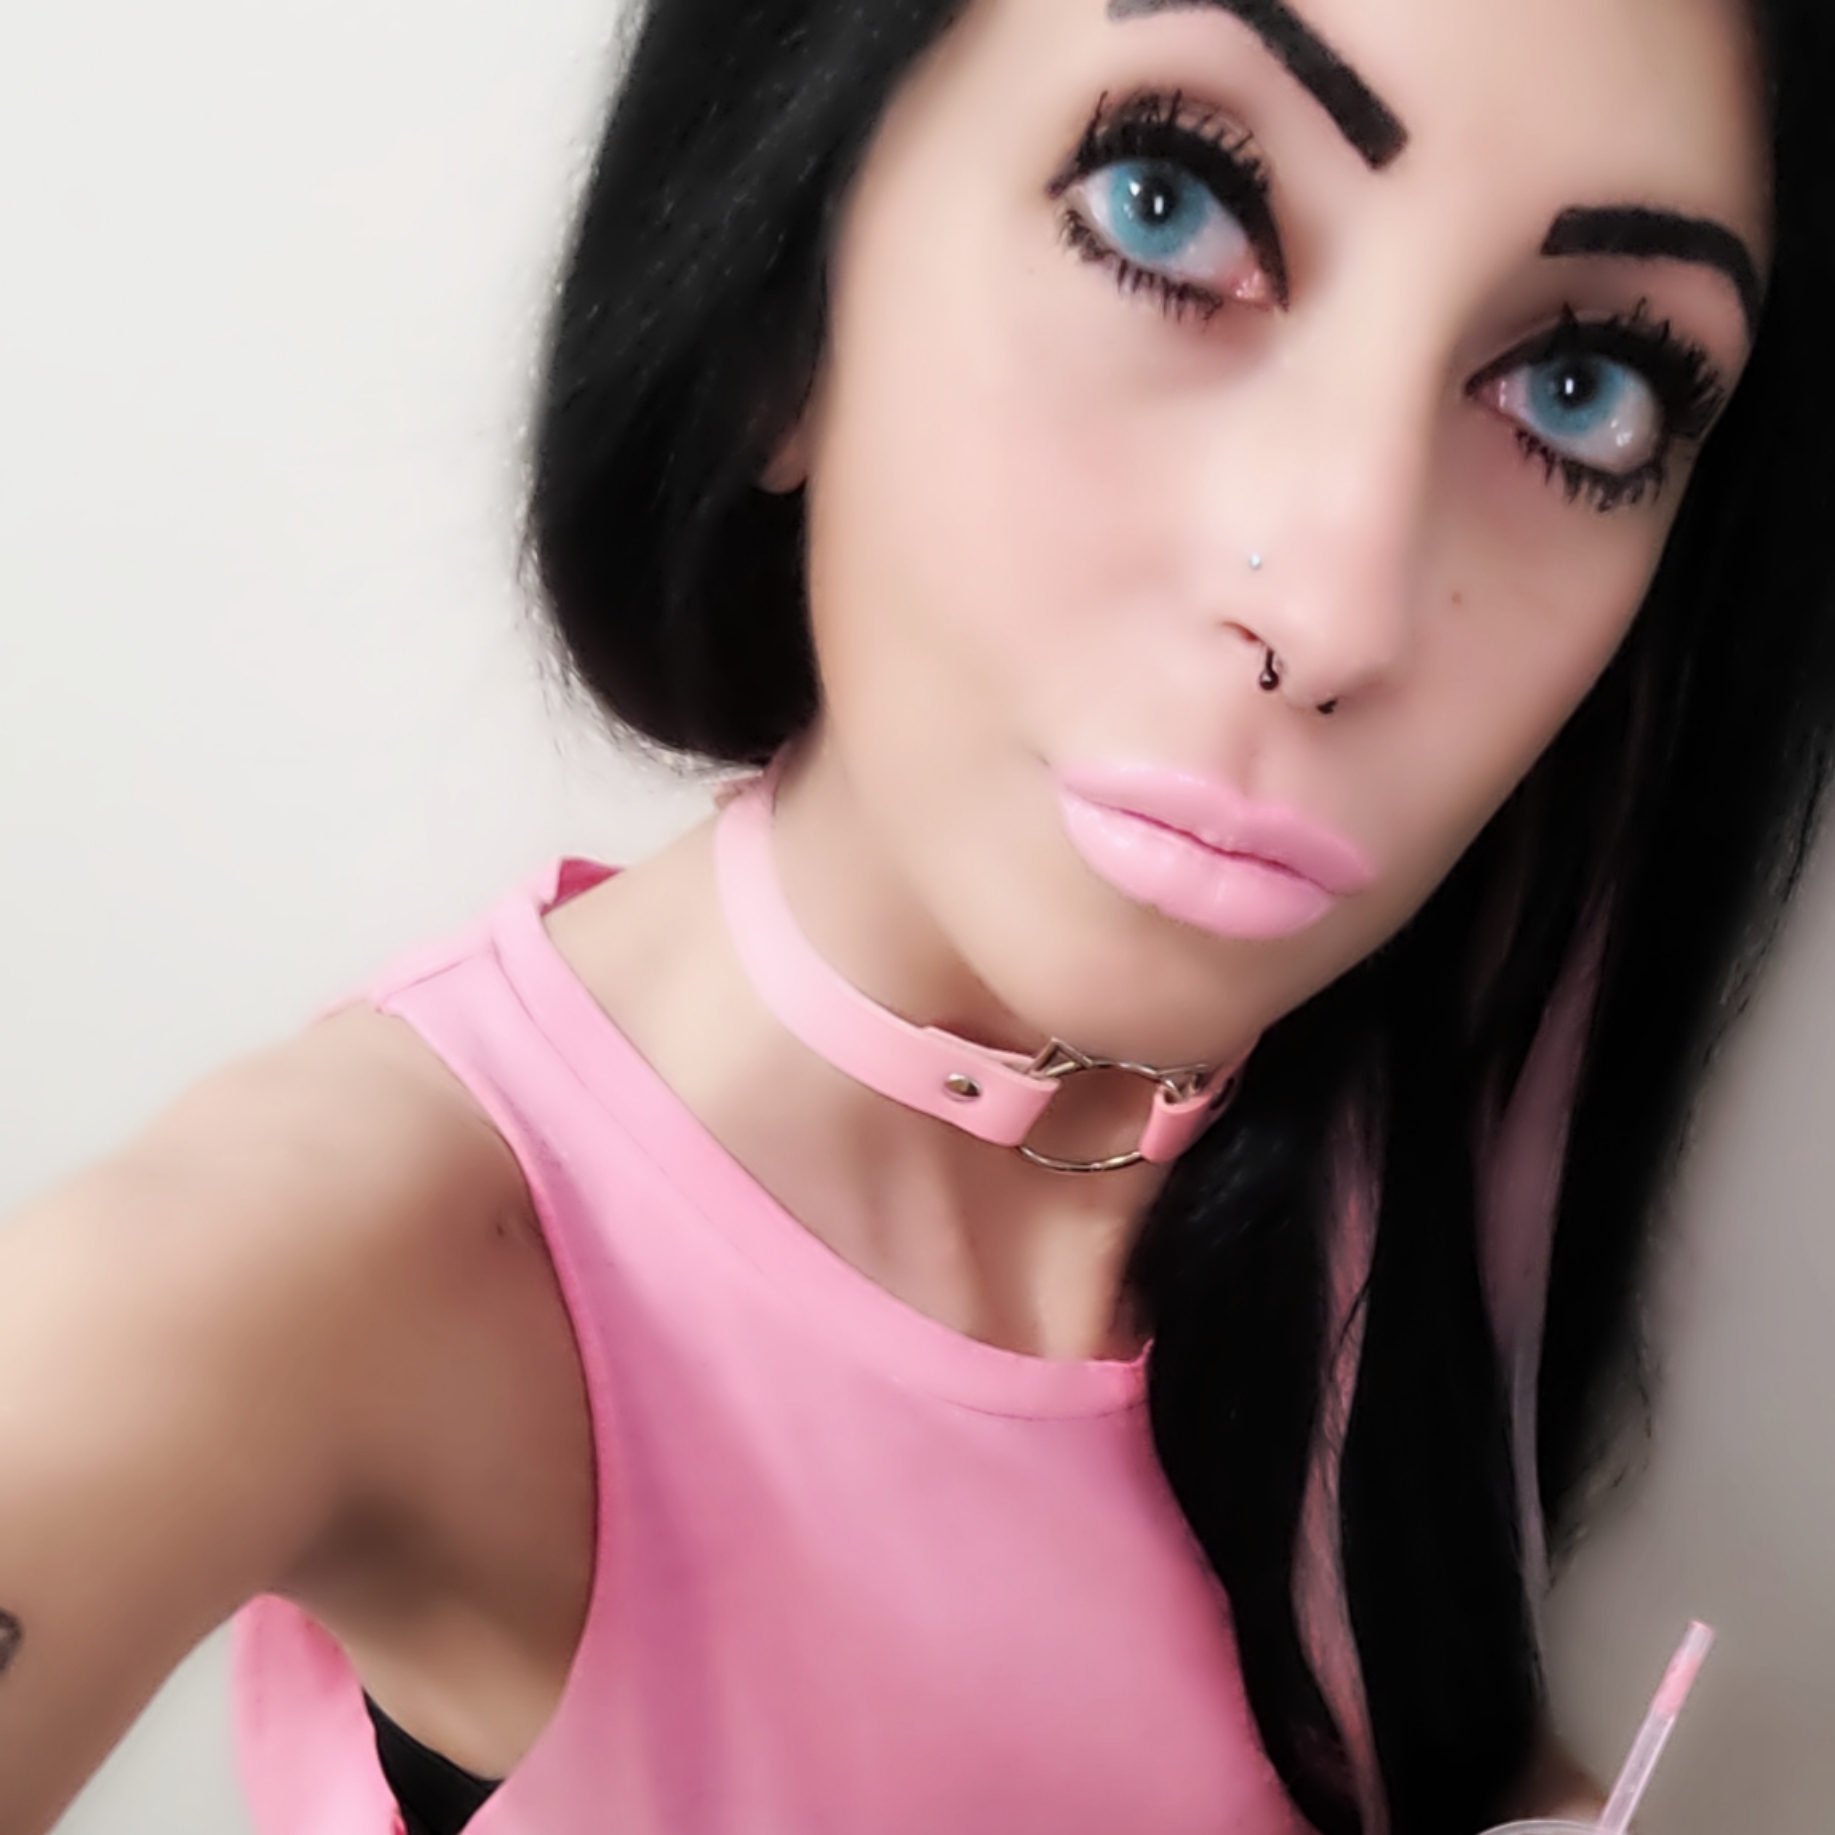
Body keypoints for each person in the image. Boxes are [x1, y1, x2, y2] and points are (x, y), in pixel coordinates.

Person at [2, 0, 1829, 1831]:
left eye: (1583, 386)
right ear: (782, 295)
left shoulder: (1400, 1155)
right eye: (1169, 205)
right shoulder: (343, 1273)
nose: (1338, 611)